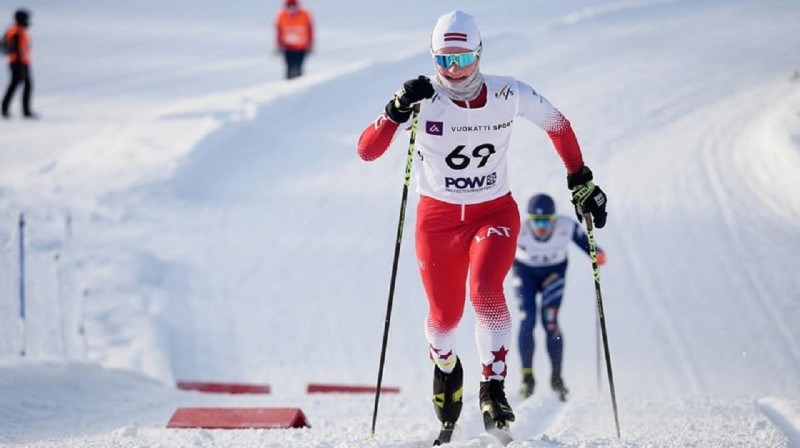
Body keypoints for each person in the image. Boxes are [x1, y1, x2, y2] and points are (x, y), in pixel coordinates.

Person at [357, 10, 608, 442]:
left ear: (479, 54)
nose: (454, 72)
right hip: (436, 223)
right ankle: (447, 369)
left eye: (463, 60)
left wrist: (579, 178)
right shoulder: (422, 97)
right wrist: (395, 110)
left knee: (486, 291)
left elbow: (558, 126)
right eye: (444, 61)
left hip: (492, 213)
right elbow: (367, 151)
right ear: (433, 58)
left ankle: (493, 385)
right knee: (443, 320)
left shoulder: (508, 93)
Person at [513, 193, 606, 402]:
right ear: (529, 219)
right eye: (537, 221)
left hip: (553, 274)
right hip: (524, 273)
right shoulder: (518, 228)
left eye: (547, 220)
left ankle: (557, 378)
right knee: (526, 321)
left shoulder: (566, 226)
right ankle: (527, 377)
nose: (542, 226)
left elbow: (587, 244)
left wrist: (597, 254)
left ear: (554, 218)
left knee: (550, 322)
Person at [2, 8, 36, 119]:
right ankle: (6, 109)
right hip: (18, 63)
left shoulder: (19, 30)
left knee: (24, 85)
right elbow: (15, 49)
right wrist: (20, 65)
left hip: (23, 62)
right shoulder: (16, 31)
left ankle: (24, 110)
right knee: (15, 85)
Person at [274, 0, 313, 80]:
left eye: (293, 7)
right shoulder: (282, 15)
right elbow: (278, 31)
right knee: (289, 68)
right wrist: (278, 45)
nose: (292, 9)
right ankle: (288, 87)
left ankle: (300, 85)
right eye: (289, 7)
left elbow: (310, 30)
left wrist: (310, 44)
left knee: (298, 67)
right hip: (288, 47)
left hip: (301, 47)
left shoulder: (304, 14)